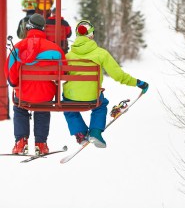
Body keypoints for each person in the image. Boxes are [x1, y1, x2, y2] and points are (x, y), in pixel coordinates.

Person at [63, 20, 149, 148]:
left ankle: (80, 133)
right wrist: (138, 83)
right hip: (92, 96)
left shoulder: (68, 56)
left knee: (68, 108)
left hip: (71, 96)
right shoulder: (101, 54)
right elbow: (118, 75)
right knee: (101, 106)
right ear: (91, 35)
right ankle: (95, 132)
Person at [5, 13, 66, 155]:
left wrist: (15, 84)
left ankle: (20, 142)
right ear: (43, 28)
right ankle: (41, 143)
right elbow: (63, 72)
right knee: (43, 109)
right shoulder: (55, 49)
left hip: (24, 94)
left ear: (28, 27)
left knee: (20, 108)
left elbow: (10, 71)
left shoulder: (18, 48)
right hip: (46, 94)